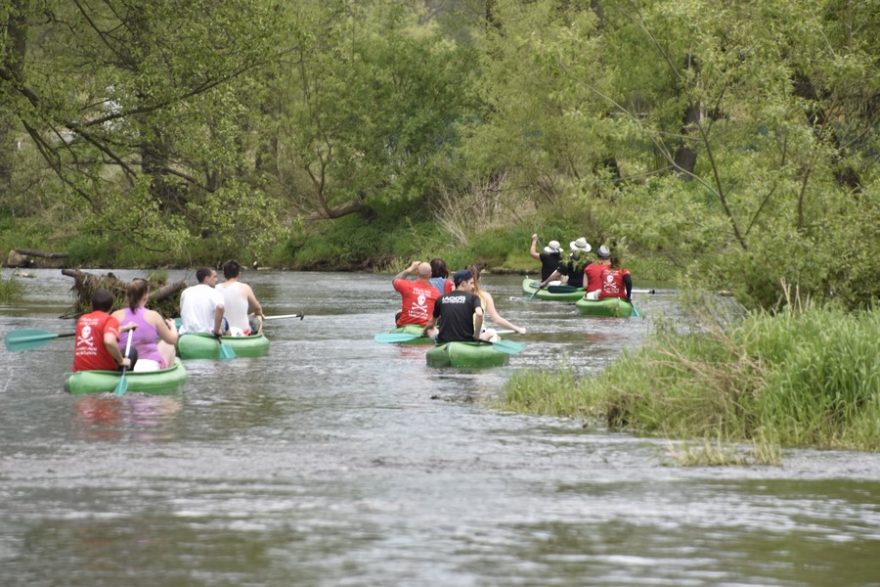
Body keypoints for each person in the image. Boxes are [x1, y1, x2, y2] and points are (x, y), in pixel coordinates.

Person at [112, 278, 178, 371]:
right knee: (168, 345)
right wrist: (173, 326)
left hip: (123, 363)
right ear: (145, 296)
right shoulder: (153, 316)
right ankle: (166, 375)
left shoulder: (116, 315)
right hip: (148, 364)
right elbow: (173, 340)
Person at [73, 288, 136, 372]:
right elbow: (109, 341)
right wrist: (121, 360)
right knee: (131, 351)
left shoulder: (82, 319)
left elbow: (100, 331)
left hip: (79, 371)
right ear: (111, 307)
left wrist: (124, 328)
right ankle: (127, 378)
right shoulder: (109, 320)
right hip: (102, 371)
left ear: (92, 305)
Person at [421, 269, 485, 343]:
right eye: (471, 283)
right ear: (463, 284)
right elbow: (479, 314)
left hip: (444, 341)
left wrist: (423, 333)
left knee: (430, 330)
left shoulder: (441, 298)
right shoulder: (473, 298)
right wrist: (476, 335)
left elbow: (431, 323)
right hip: (466, 341)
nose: (473, 287)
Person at [468, 264, 527, 335]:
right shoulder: (485, 296)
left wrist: (517, 329)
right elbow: (497, 319)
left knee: (490, 332)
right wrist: (518, 329)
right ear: (479, 279)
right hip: (479, 333)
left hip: (463, 333)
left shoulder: (456, 294)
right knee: (491, 333)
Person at [216, 259, 264, 336]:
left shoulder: (216, 288)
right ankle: (256, 338)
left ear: (224, 274)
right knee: (258, 317)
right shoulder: (245, 287)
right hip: (243, 332)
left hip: (223, 330)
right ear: (239, 274)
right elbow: (257, 308)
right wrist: (260, 314)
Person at [392, 260, 442, 327]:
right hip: (425, 326)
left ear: (417, 272)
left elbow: (394, 281)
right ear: (430, 274)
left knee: (398, 312)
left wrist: (409, 269)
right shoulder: (436, 293)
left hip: (405, 324)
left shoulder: (406, 285)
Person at [178, 267, 225, 336]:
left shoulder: (186, 291)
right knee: (225, 324)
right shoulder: (216, 293)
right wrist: (216, 331)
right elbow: (220, 308)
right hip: (206, 335)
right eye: (214, 277)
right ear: (206, 279)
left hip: (186, 334)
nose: (217, 280)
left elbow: (181, 311)